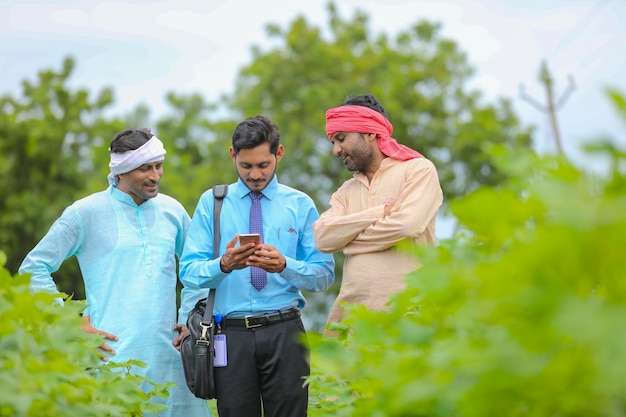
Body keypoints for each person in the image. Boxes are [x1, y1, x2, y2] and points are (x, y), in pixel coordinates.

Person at [19, 128, 211, 417]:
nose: (155, 176)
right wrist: (70, 322)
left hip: (172, 357)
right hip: (114, 359)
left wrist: (189, 319)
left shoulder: (172, 210)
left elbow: (197, 269)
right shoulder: (85, 212)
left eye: (158, 166)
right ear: (121, 170)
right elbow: (33, 268)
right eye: (145, 168)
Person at [179, 115, 335, 417]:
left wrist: (285, 265)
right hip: (230, 335)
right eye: (246, 166)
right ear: (232, 155)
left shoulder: (300, 204)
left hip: (286, 331)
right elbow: (188, 271)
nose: (254, 174)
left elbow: (324, 275)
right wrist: (223, 264)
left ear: (279, 153)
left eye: (263, 165)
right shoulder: (212, 203)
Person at [313, 94, 444, 333]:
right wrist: (377, 213)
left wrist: (349, 241)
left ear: (371, 132)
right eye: (333, 142)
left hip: (409, 319)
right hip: (352, 323)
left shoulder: (418, 170)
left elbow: (407, 226)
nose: (335, 150)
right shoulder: (346, 191)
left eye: (341, 139)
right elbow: (322, 238)